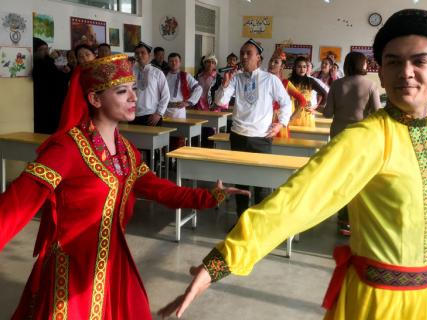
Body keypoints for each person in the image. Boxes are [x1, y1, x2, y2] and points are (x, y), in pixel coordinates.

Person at [159, 9, 427, 320]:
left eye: (419, 61)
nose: (406, 72)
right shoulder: (367, 138)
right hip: (380, 302)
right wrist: (220, 262)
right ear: (380, 73)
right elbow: (295, 201)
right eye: (393, 62)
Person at [0, 54, 248, 319]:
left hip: (114, 263)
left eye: (134, 89)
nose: (133, 98)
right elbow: (15, 205)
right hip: (73, 267)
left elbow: (159, 189)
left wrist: (208, 196)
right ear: (95, 99)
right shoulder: (67, 149)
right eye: (122, 91)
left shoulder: (126, 152)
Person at [211, 38, 292, 219]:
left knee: (261, 185)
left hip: (261, 138)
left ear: (259, 59)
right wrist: (224, 83)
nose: (244, 57)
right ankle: (242, 222)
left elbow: (286, 103)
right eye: (242, 53)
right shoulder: (236, 78)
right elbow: (220, 102)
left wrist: (280, 123)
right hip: (238, 135)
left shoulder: (270, 79)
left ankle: (258, 225)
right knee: (241, 184)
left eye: (249, 53)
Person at [323, 51, 381, 235]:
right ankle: (358, 218)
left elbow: (327, 113)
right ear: (364, 66)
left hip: (339, 134)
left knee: (342, 177)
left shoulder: (337, 84)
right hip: (361, 135)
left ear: (346, 65)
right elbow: (378, 113)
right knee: (360, 176)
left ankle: (343, 220)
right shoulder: (371, 85)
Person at [32, 37, 70, 134]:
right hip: (44, 106)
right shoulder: (38, 64)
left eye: (46, 49)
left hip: (54, 104)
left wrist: (64, 73)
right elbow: (44, 77)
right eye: (42, 50)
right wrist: (51, 59)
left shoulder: (49, 62)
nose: (45, 52)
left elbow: (56, 79)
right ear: (34, 51)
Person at [268, 48, 307, 138]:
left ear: (282, 66)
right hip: (264, 124)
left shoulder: (285, 83)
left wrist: (290, 118)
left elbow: (303, 101)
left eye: (276, 62)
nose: (271, 64)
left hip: (279, 126)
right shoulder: (263, 82)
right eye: (271, 61)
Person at [131, 41, 170, 127]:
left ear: (149, 55)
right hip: (133, 115)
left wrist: (159, 114)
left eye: (143, 53)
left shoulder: (157, 72)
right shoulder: (130, 71)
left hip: (151, 116)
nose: (139, 55)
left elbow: (166, 95)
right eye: (137, 53)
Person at [289, 56, 328, 127]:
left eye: (304, 67)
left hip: (307, 116)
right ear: (294, 68)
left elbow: (325, 94)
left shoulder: (310, 81)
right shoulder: (289, 81)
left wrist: (316, 108)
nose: (302, 69)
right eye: (299, 66)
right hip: (292, 114)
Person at [165, 52, 202, 119]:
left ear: (180, 63)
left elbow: (198, 89)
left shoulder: (185, 75)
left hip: (178, 110)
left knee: (180, 128)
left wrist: (189, 102)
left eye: (176, 61)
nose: (174, 63)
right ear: (168, 63)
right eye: (171, 61)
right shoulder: (163, 75)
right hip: (164, 109)